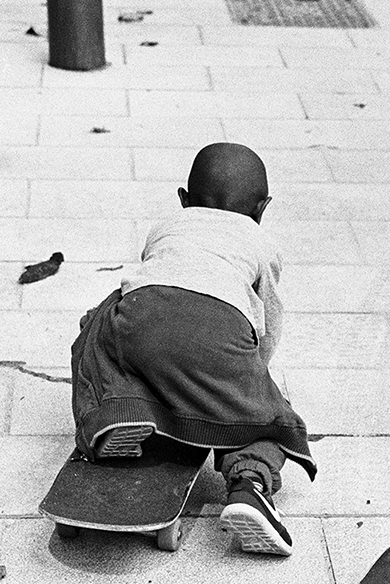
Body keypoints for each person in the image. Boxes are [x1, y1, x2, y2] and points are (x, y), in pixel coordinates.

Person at [70, 142, 316, 556]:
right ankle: (249, 484)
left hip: (141, 314)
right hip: (220, 329)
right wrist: (244, 384)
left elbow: (157, 277)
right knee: (264, 415)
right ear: (262, 209)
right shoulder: (259, 241)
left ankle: (115, 413)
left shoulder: (166, 227)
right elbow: (268, 326)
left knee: (97, 332)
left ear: (184, 201)